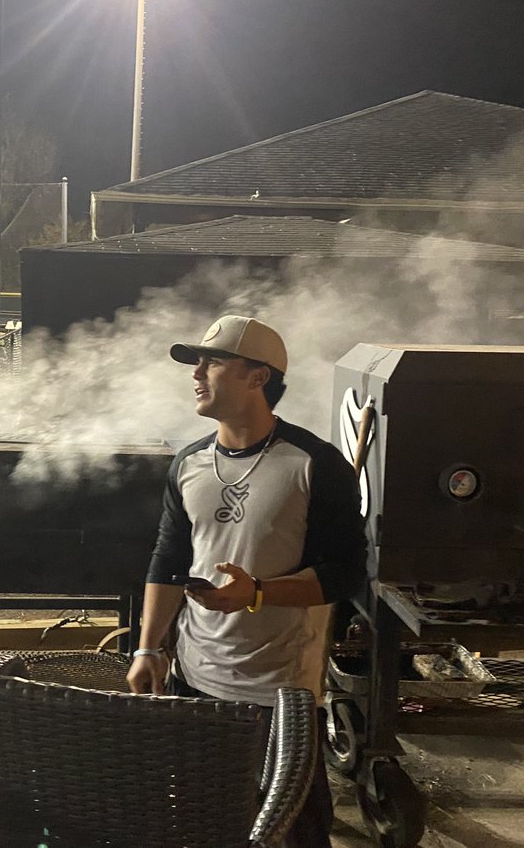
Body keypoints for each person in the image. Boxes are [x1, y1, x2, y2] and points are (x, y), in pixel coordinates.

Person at [126, 314, 367, 847]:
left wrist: (256, 593)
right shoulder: (188, 463)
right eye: (196, 363)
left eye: (212, 362)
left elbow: (346, 572)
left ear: (258, 377)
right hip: (194, 679)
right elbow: (169, 559)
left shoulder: (315, 464)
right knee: (203, 822)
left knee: (298, 830)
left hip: (281, 692)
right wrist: (147, 649)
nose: (197, 374)